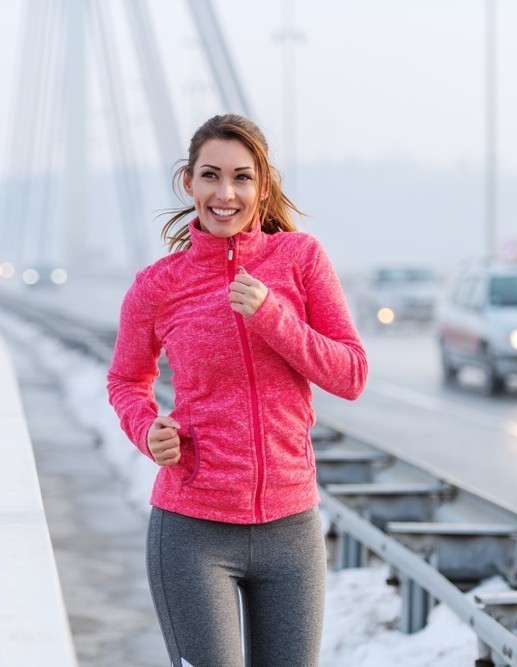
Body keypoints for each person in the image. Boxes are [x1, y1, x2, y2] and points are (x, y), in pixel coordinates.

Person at [106, 113, 368, 666]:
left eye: (242, 177)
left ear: (262, 185)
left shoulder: (301, 259)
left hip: (291, 529)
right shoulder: (158, 286)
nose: (226, 193)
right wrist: (145, 428)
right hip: (192, 530)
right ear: (189, 183)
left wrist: (272, 317)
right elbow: (127, 380)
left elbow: (350, 374)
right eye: (210, 175)